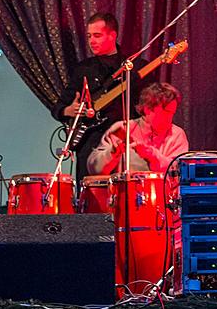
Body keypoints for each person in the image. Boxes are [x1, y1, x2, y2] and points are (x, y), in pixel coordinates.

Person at [51, 12, 154, 183]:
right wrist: (69, 110)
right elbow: (58, 108)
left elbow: (150, 107)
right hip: (90, 145)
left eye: (97, 35)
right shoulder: (83, 69)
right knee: (91, 202)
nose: (92, 41)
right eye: (89, 36)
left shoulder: (135, 67)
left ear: (112, 35)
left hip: (126, 146)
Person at [88, 82, 188, 175]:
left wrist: (152, 155)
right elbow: (94, 169)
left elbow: (179, 171)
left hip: (162, 193)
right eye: (166, 112)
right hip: (123, 192)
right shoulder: (123, 128)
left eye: (172, 112)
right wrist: (112, 153)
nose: (170, 117)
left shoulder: (177, 134)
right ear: (147, 108)